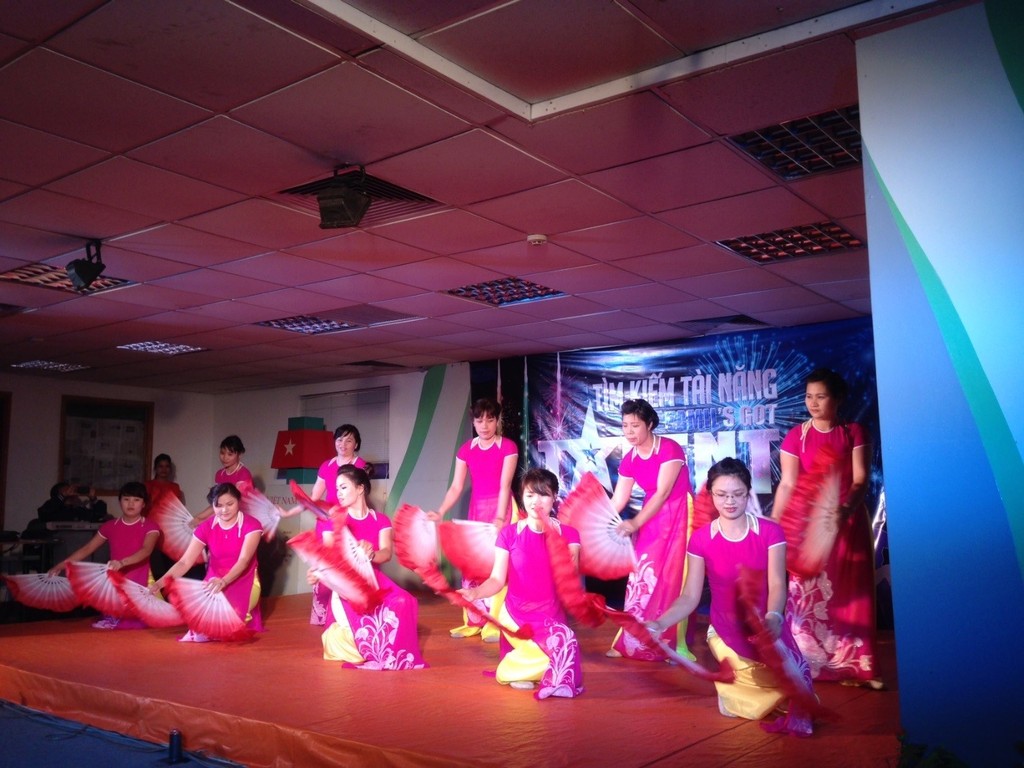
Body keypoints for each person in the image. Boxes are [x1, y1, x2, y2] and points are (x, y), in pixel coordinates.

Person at [649, 458, 816, 736]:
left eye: (738, 494)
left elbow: (777, 584)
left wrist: (774, 617)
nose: (730, 501)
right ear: (711, 495)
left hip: (767, 626)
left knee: (799, 694)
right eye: (722, 494)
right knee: (749, 703)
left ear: (748, 493)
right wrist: (659, 623)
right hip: (725, 630)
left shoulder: (770, 532)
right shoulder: (701, 539)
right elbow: (689, 596)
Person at [770, 368, 879, 686]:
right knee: (806, 595)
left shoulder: (853, 432)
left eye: (821, 396)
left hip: (846, 522)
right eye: (809, 397)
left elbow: (860, 480)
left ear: (838, 398)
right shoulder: (797, 436)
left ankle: (854, 666)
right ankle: (808, 662)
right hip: (808, 529)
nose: (813, 403)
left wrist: (846, 510)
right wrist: (775, 523)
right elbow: (788, 484)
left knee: (850, 594)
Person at [460, 468, 583, 698]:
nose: (536, 501)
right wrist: (475, 594)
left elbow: (571, 579)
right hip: (517, 613)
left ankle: (520, 668)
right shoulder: (508, 534)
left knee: (567, 644)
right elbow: (497, 580)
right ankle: (509, 671)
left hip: (551, 613)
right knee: (557, 657)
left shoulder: (569, 534)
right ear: (522, 498)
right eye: (530, 495)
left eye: (544, 494)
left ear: (554, 497)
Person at [314, 465, 425, 670]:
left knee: (405, 601)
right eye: (337, 489)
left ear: (360, 488)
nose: (338, 493)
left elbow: (386, 553)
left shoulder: (381, 520)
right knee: (364, 641)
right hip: (348, 586)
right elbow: (329, 556)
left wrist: (371, 553)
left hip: (375, 581)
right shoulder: (334, 520)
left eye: (343, 487)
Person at [607, 398, 691, 660]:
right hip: (652, 517)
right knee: (642, 575)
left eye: (635, 425)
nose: (629, 431)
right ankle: (633, 640)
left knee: (674, 577)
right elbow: (618, 500)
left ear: (650, 424)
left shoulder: (669, 448)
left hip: (679, 512)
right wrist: (596, 520)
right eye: (625, 425)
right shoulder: (630, 459)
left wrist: (635, 523)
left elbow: (663, 492)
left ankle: (674, 644)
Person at [152, 482, 263, 642]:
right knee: (201, 632)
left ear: (239, 501)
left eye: (230, 504)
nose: (224, 510)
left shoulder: (251, 524)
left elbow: (244, 561)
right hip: (213, 580)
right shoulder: (206, 527)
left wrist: (224, 581)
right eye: (218, 505)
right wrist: (160, 583)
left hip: (243, 578)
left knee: (229, 630)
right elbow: (185, 562)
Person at [281, 424, 367, 625]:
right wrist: (289, 512)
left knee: (347, 567)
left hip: (349, 522)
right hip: (326, 522)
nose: (343, 444)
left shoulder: (360, 465)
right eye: (339, 439)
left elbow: (361, 495)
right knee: (324, 566)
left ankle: (349, 615)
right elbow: (312, 498)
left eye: (349, 440)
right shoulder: (326, 465)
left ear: (356, 444)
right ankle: (323, 615)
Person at [48, 481, 161, 630]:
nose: (131, 504)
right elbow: (87, 548)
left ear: (144, 504)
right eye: (126, 499)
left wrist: (122, 562)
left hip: (139, 579)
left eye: (136, 500)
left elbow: (146, 550)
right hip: (116, 578)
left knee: (134, 624)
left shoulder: (151, 526)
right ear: (120, 501)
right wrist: (61, 565)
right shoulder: (110, 526)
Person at [192, 435, 253, 525]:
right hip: (223, 515)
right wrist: (198, 517)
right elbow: (218, 503)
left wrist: (203, 521)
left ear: (239, 455)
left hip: (239, 518)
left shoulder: (244, 474)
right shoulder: (220, 474)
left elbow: (233, 505)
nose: (225, 457)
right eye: (222, 453)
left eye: (230, 454)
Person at [36, 481, 108, 524]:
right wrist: (63, 496)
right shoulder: (52, 510)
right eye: (66, 491)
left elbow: (100, 515)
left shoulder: (77, 510)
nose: (71, 493)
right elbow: (44, 513)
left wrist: (93, 499)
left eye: (71, 490)